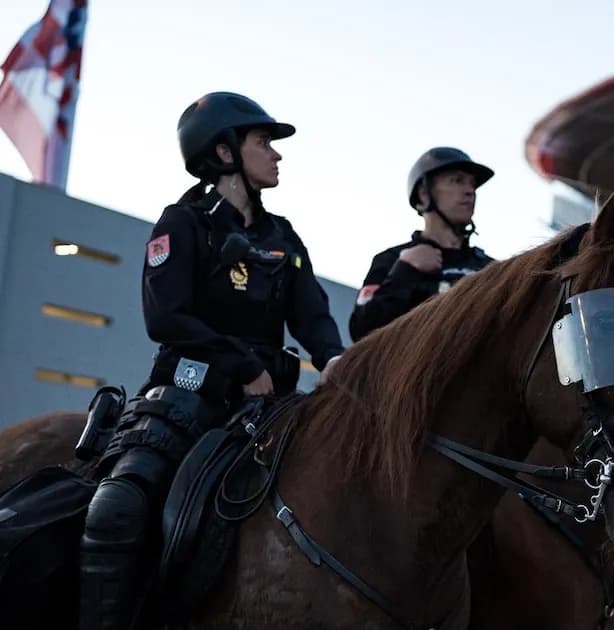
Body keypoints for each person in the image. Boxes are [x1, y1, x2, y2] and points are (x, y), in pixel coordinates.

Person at [77, 92, 345, 629]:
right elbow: (166, 317)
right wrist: (243, 366)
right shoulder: (183, 223)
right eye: (263, 142)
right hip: (185, 399)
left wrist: (336, 358)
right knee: (118, 509)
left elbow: (311, 314)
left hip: (272, 409)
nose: (276, 155)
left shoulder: (283, 236)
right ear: (223, 153)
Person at [348, 147, 494, 341]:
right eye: (457, 180)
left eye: (472, 185)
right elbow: (362, 331)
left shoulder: (490, 269)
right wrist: (404, 270)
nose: (469, 191)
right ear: (424, 193)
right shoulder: (391, 260)